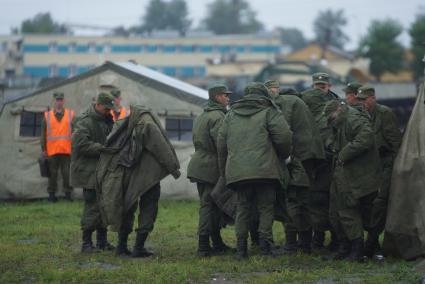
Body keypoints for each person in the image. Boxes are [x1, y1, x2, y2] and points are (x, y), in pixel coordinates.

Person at [217, 82, 292, 259]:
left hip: (238, 171)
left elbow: (221, 144)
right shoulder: (269, 111)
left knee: (243, 207)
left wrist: (224, 172)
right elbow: (284, 137)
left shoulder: (231, 114)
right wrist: (283, 156)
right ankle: (265, 247)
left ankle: (242, 249)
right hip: (265, 170)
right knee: (266, 207)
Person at [96, 105, 181, 257]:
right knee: (149, 208)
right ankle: (138, 247)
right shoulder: (148, 123)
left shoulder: (126, 122)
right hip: (149, 177)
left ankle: (121, 247)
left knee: (127, 207)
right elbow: (161, 147)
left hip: (127, 174)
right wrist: (174, 168)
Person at [265, 80, 325, 254]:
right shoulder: (298, 101)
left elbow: (283, 131)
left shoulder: (285, 103)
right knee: (305, 198)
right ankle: (305, 242)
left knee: (292, 197)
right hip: (311, 155)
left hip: (298, 156)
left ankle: (293, 242)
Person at [323, 100, 381, 262]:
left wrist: (343, 154)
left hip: (356, 175)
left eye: (331, 117)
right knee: (335, 212)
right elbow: (334, 138)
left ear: (338, 110)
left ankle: (357, 250)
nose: (330, 120)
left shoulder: (353, 119)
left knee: (347, 211)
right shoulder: (341, 121)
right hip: (343, 173)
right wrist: (331, 146)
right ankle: (345, 247)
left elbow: (366, 138)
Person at [356, 86, 402, 259]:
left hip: (385, 164)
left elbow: (395, 141)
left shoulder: (384, 113)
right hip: (369, 166)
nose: (362, 103)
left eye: (365, 99)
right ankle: (372, 245)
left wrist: (398, 168)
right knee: (367, 203)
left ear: (373, 98)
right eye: (359, 99)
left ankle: (371, 245)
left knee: (379, 204)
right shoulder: (361, 115)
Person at [187, 84, 233, 257]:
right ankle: (204, 246)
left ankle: (217, 243)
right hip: (211, 166)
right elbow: (221, 144)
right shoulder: (219, 117)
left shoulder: (202, 115)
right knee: (209, 206)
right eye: (224, 95)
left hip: (200, 164)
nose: (228, 98)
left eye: (228, 95)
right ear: (216, 97)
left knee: (212, 205)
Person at [70, 92, 115, 253]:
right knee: (92, 206)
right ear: (98, 105)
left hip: (102, 171)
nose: (109, 111)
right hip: (88, 172)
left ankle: (102, 242)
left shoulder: (106, 120)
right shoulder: (84, 122)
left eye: (110, 109)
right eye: (106, 108)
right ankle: (86, 243)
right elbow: (80, 144)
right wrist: (102, 149)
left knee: (104, 206)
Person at [300, 73, 340, 251]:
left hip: (328, 154)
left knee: (326, 198)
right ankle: (319, 237)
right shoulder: (306, 98)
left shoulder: (335, 100)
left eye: (323, 85)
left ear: (329, 85)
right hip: (315, 154)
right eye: (318, 85)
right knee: (317, 198)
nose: (320, 88)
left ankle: (325, 237)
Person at [41, 92, 74, 202]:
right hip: (52, 150)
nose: (59, 102)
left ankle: (68, 196)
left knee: (66, 174)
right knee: (52, 174)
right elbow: (43, 134)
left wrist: (75, 147)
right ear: (54, 101)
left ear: (63, 101)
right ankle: (51, 196)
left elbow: (75, 132)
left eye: (61, 100)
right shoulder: (47, 115)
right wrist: (44, 149)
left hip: (66, 150)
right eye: (57, 100)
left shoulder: (70, 114)